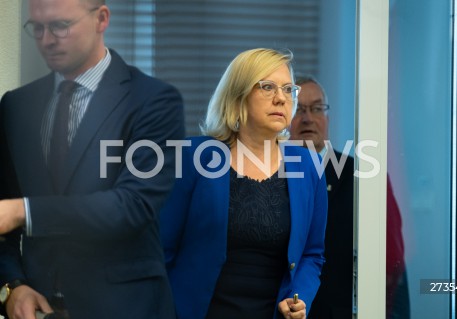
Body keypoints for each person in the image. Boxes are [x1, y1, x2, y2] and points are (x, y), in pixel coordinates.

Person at [0, 0, 184, 318]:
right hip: (41, 309)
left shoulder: (155, 102)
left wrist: (25, 211)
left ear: (101, 19)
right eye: (38, 28)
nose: (47, 39)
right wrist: (11, 286)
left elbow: (132, 205)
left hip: (127, 308)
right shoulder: (16, 106)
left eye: (60, 25)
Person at [159, 48, 328, 319]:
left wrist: (300, 297)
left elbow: (312, 254)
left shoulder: (308, 165)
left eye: (288, 89)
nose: (280, 99)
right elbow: (161, 250)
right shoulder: (193, 156)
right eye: (268, 87)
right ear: (238, 96)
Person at [289, 74, 410, 319]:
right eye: (298, 109)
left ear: (327, 117)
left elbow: (391, 259)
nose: (308, 118)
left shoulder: (364, 176)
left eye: (317, 108)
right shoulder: (267, 173)